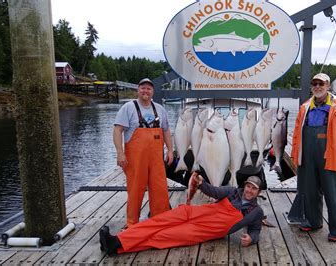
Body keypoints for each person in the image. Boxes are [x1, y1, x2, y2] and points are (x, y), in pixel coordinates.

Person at [99, 173, 264, 256]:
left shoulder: (256, 212)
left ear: (258, 192)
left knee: (164, 235)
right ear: (245, 186)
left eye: (253, 188)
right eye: (248, 186)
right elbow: (214, 191)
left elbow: (255, 231)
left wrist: (251, 239)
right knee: (158, 221)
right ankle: (119, 238)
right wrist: (200, 183)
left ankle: (117, 247)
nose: (249, 190)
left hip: (208, 230)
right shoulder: (232, 191)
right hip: (196, 212)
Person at [290, 73, 336, 242]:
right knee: (308, 189)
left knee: (334, 193)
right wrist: (295, 155)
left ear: (328, 86)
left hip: (330, 154)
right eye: (314, 84)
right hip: (307, 153)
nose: (317, 87)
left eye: (321, 84)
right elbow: (296, 134)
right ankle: (313, 221)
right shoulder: (305, 107)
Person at [113, 78, 174, 227]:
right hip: (135, 159)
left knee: (160, 188)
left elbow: (166, 130)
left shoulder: (159, 109)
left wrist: (170, 150)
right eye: (143, 88)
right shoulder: (128, 107)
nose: (146, 91)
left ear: (153, 92)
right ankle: (132, 223)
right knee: (135, 190)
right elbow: (117, 130)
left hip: (156, 159)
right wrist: (120, 153)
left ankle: (160, 221)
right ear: (138, 90)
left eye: (149, 89)